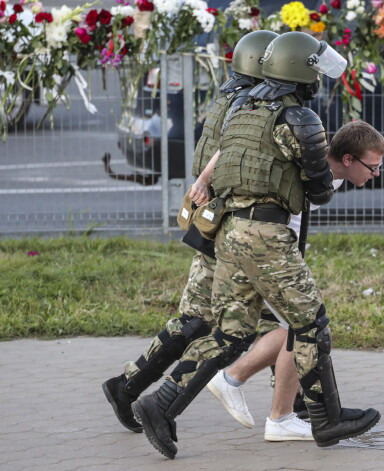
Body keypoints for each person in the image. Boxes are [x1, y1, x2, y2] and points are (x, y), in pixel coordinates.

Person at [131, 31, 382, 459]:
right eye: (317, 69)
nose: (320, 78)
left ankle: (160, 403)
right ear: (302, 73)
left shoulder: (245, 109)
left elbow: (220, 157)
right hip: (267, 235)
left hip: (231, 232)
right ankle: (326, 417)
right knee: (310, 325)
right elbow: (319, 191)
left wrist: (203, 183)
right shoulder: (298, 119)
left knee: (231, 332)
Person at [101, 30, 279, 434]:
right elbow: (232, 152)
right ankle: (294, 409)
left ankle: (128, 386)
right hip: (233, 223)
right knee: (278, 321)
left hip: (214, 222)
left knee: (200, 319)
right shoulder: (252, 104)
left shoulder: (227, 96)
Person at [205, 120, 384, 438]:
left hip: (274, 249)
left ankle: (243, 387)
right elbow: (237, 146)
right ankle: (274, 412)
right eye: (373, 166)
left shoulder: (335, 175)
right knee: (305, 325)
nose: (376, 173)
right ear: (348, 159)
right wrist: (202, 180)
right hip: (263, 247)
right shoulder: (309, 159)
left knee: (295, 326)